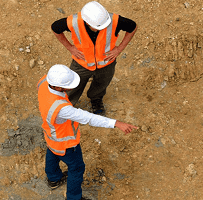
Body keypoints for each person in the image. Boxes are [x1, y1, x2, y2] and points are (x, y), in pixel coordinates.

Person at [37, 64, 138, 200]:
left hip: (51, 135)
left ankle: (53, 179)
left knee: (53, 153)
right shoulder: (61, 108)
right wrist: (116, 123)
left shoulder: (44, 82)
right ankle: (74, 198)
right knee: (77, 168)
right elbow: (88, 118)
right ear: (58, 87)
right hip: (66, 144)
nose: (72, 87)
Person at [51, 1, 137, 115]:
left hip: (106, 63)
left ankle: (96, 99)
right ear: (87, 22)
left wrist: (119, 49)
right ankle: (67, 105)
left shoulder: (113, 20)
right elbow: (55, 28)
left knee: (101, 84)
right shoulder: (74, 22)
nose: (103, 28)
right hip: (81, 63)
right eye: (98, 27)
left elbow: (133, 27)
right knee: (73, 86)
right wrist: (70, 48)